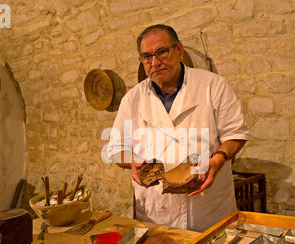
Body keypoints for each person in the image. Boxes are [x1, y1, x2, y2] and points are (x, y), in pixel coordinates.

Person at [107, 24, 250, 232]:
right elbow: (115, 148)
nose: (155, 62)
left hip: (207, 209)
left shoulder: (213, 86)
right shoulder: (132, 99)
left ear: (179, 51)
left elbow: (236, 134)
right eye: (147, 56)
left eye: (162, 52)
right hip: (156, 213)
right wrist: (131, 162)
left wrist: (217, 159)